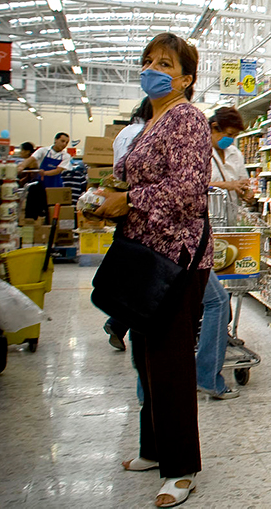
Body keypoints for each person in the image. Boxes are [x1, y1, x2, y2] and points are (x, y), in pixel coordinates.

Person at [94, 33, 211, 508]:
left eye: (165, 63)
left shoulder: (187, 119)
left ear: (186, 78)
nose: (153, 68)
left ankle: (180, 468)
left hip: (175, 258)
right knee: (145, 357)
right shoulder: (150, 121)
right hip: (144, 254)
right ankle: (152, 448)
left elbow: (187, 192)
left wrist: (128, 200)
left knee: (169, 360)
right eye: (147, 61)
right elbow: (128, 175)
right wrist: (104, 194)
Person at [196, 106, 250, 400]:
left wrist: (245, 190)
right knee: (215, 300)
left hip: (228, 229)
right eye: (227, 135)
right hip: (202, 230)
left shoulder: (236, 155)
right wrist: (226, 184)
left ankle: (211, 343)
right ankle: (206, 370)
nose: (230, 141)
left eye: (234, 137)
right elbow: (194, 185)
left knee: (222, 294)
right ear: (213, 127)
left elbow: (241, 184)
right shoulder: (197, 150)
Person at [102, 98, 153, 352]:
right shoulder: (145, 133)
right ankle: (123, 322)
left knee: (132, 266)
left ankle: (119, 321)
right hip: (140, 206)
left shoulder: (124, 132)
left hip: (122, 203)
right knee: (145, 271)